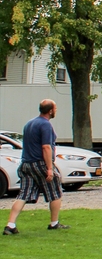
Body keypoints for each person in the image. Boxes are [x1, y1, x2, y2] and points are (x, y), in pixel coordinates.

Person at [5, 100, 68, 235]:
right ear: (50, 110)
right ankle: (54, 223)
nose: (56, 110)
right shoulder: (45, 125)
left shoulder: (29, 124)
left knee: (23, 194)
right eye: (55, 108)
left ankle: (10, 225)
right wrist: (50, 169)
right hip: (40, 163)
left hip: (26, 164)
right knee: (55, 192)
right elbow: (46, 147)